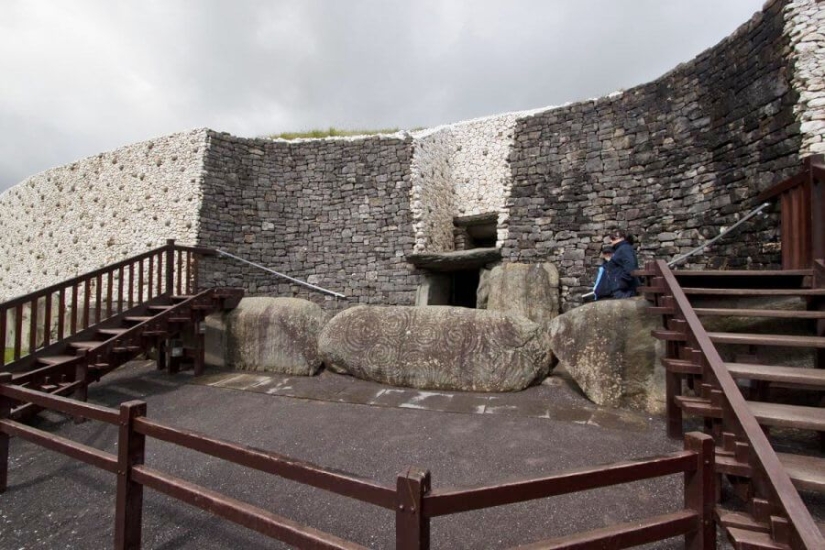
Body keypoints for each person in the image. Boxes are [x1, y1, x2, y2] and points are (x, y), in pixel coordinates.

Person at [607, 229, 640, 298]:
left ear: (623, 238)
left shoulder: (624, 248)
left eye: (613, 238)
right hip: (623, 289)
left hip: (624, 290)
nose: (610, 241)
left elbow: (630, 267)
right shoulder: (621, 249)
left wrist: (620, 283)